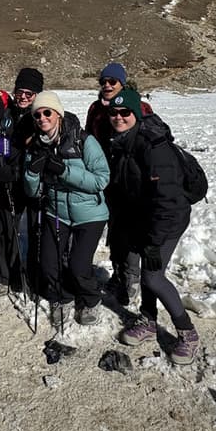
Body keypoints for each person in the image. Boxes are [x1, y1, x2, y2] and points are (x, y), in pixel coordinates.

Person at [105, 87, 199, 365]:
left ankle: (187, 333)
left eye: (125, 112)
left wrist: (155, 243)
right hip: (145, 218)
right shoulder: (123, 141)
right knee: (148, 272)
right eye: (114, 112)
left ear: (137, 113)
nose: (119, 117)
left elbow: (168, 202)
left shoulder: (155, 149)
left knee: (153, 277)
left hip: (168, 220)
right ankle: (147, 320)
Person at [23, 91, 110, 328]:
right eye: (37, 114)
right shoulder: (36, 145)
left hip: (90, 214)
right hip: (56, 211)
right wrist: (32, 171)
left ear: (58, 114)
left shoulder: (84, 140)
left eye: (47, 112)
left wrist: (64, 171)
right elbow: (32, 191)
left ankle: (91, 299)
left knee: (79, 266)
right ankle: (62, 297)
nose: (42, 118)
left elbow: (101, 180)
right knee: (49, 264)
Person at [84, 62, 152, 306]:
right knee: (115, 229)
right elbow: (88, 138)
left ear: (122, 83)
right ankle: (118, 272)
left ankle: (131, 278)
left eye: (112, 81)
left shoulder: (139, 106)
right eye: (103, 81)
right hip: (107, 179)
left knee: (131, 229)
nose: (107, 85)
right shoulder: (95, 108)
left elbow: (149, 138)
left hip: (132, 178)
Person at [0, 67, 44, 297]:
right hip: (8, 181)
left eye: (29, 94)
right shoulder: (8, 114)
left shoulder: (41, 115)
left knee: (33, 232)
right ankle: (6, 274)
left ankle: (29, 275)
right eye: (19, 91)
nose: (23, 97)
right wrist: (2, 166)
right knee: (5, 229)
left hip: (32, 182)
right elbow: (0, 141)